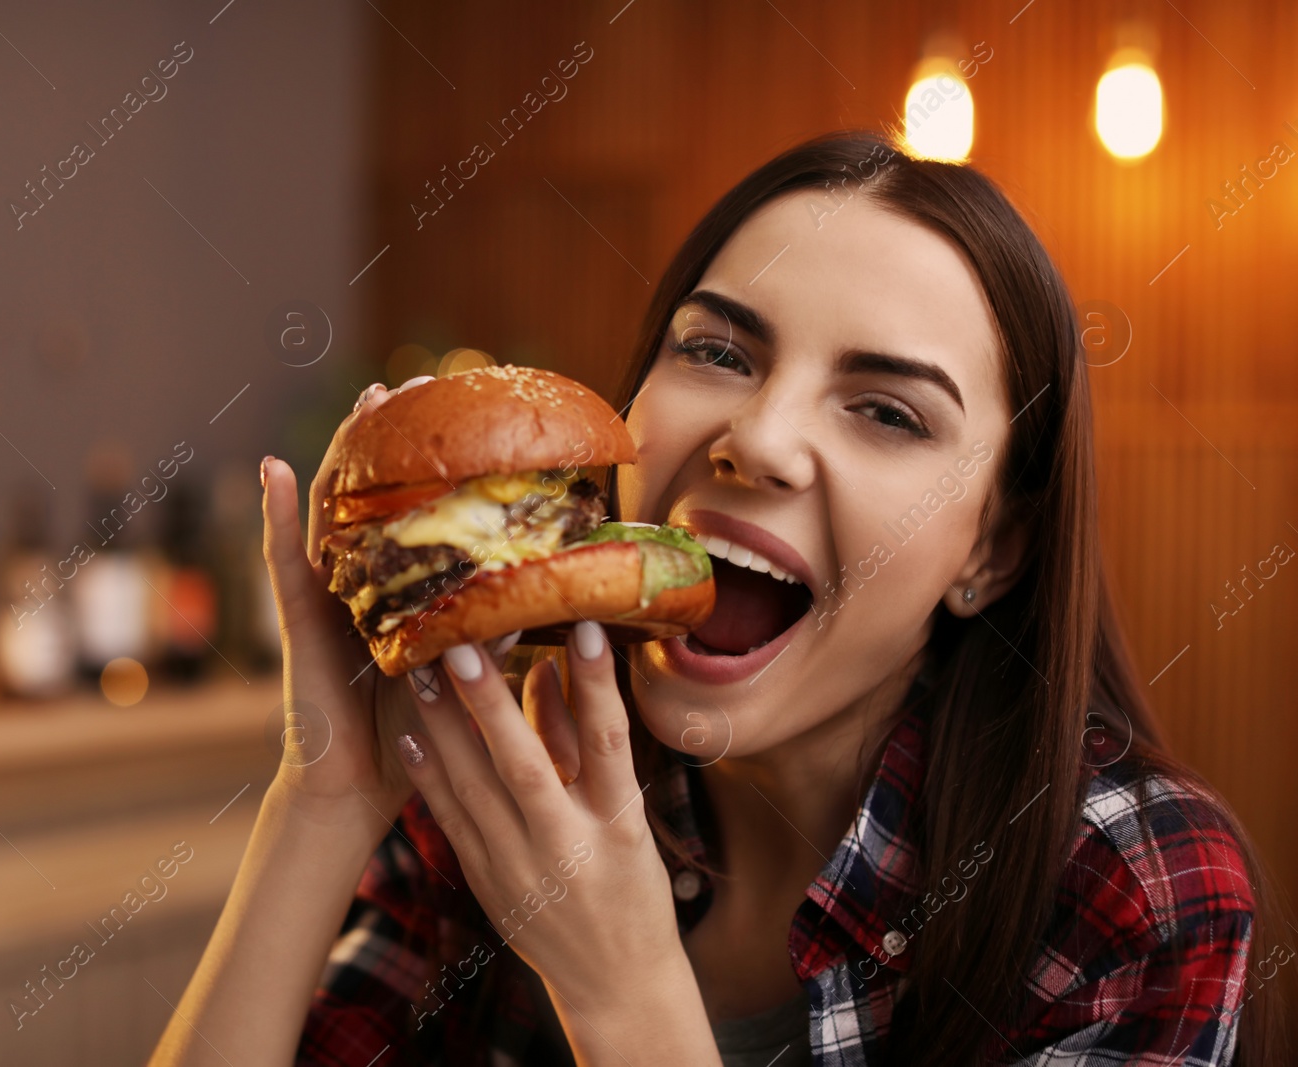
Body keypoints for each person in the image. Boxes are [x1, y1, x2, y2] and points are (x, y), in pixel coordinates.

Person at [149, 130, 1286, 1066]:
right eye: (719, 353)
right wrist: (326, 792)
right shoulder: (491, 765)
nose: (759, 440)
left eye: (886, 410)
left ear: (990, 549)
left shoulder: (1131, 888)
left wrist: (624, 987)